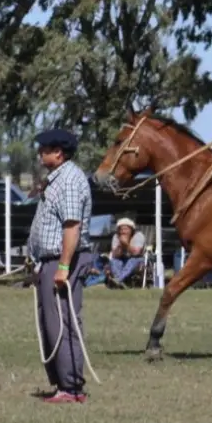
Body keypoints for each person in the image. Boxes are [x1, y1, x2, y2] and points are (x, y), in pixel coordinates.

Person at [27, 128, 94, 404]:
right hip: (48, 260)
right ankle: (62, 384)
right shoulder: (56, 180)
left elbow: (72, 226)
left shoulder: (68, 180)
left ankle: (71, 387)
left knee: (63, 322)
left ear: (59, 152)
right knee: (50, 323)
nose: (41, 153)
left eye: (45, 149)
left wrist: (64, 266)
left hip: (63, 259)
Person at [107, 217, 145, 286]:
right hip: (122, 258)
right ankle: (120, 282)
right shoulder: (116, 236)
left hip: (137, 259)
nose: (123, 231)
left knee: (132, 260)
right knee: (114, 260)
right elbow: (115, 255)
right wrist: (121, 245)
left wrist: (126, 244)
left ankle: (118, 280)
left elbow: (136, 253)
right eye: (121, 229)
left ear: (132, 230)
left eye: (126, 229)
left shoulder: (138, 235)